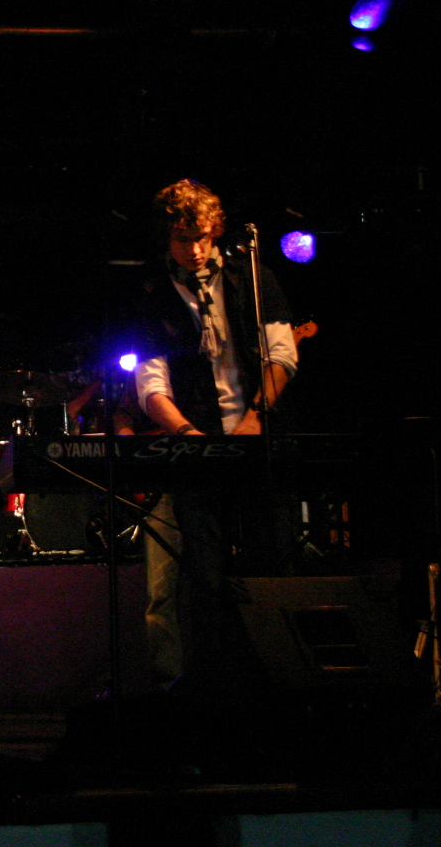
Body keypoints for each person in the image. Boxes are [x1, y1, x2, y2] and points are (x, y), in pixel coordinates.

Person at [133, 179, 298, 687]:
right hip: (196, 452)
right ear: (167, 238)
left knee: (272, 564)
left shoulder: (253, 276)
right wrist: (188, 433)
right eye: (184, 240)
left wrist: (254, 419)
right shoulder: (152, 292)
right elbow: (150, 384)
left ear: (216, 232)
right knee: (205, 576)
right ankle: (213, 684)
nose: (196, 250)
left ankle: (280, 679)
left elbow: (283, 355)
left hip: (259, 443)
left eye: (203, 237)